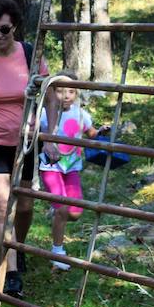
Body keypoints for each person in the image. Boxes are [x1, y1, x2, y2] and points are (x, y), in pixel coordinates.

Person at [0, 0, 48, 298]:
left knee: (26, 203)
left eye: (4, 29)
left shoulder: (30, 54)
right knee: (2, 202)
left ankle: (18, 243)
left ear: (14, 26)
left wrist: (52, 134)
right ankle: (11, 269)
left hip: (27, 141)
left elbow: (51, 93)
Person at [38, 84, 97, 270]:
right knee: (63, 208)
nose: (66, 96)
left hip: (72, 168)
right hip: (51, 166)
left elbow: (91, 132)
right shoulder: (45, 114)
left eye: (71, 91)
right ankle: (57, 252)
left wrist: (101, 132)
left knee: (75, 212)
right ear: (52, 93)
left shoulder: (80, 114)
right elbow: (33, 131)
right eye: (60, 91)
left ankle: (57, 214)